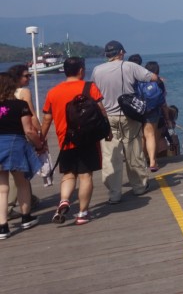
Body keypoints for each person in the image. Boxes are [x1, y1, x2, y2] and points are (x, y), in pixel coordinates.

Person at [40, 57, 109, 226]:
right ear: (81, 70)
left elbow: (47, 119)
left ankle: (64, 200)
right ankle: (82, 213)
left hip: (65, 140)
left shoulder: (53, 92)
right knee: (85, 176)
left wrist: (41, 139)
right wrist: (107, 131)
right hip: (88, 139)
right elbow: (101, 110)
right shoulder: (89, 87)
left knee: (69, 174)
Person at [91, 40, 158, 203]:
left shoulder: (97, 70)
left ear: (107, 55)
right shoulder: (129, 66)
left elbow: (93, 91)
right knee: (133, 152)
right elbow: (153, 77)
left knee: (111, 156)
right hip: (128, 116)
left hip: (107, 117)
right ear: (120, 53)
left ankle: (114, 194)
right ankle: (139, 186)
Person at [0, 74, 45, 238]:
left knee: (2, 187)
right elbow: (29, 130)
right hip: (15, 145)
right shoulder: (20, 105)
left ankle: (2, 226)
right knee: (22, 183)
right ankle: (26, 218)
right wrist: (39, 145)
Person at [140, 61, 168, 172]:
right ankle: (152, 161)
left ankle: (142, 161)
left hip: (140, 111)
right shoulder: (159, 82)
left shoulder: (140, 80)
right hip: (154, 111)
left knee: (142, 136)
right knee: (151, 136)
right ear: (157, 71)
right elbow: (163, 101)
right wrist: (167, 118)